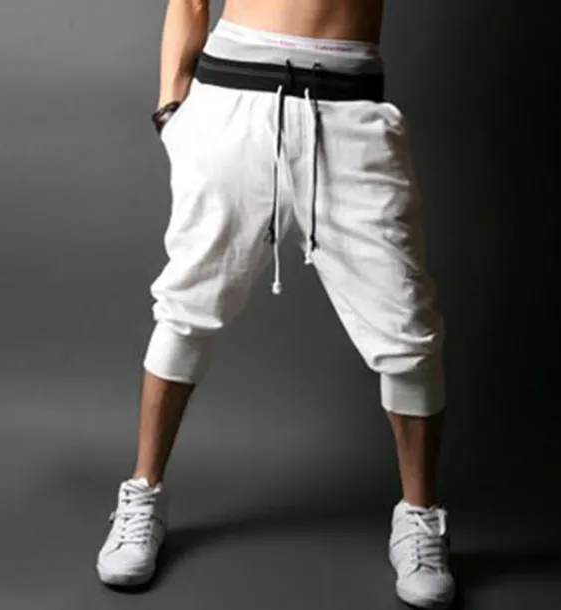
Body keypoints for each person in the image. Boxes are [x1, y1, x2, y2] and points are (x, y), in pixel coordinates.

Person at [96, 1, 455, 607]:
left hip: (349, 109)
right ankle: (143, 494)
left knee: (408, 332)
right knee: (186, 308)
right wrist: (171, 108)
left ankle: (420, 517)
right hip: (233, 100)